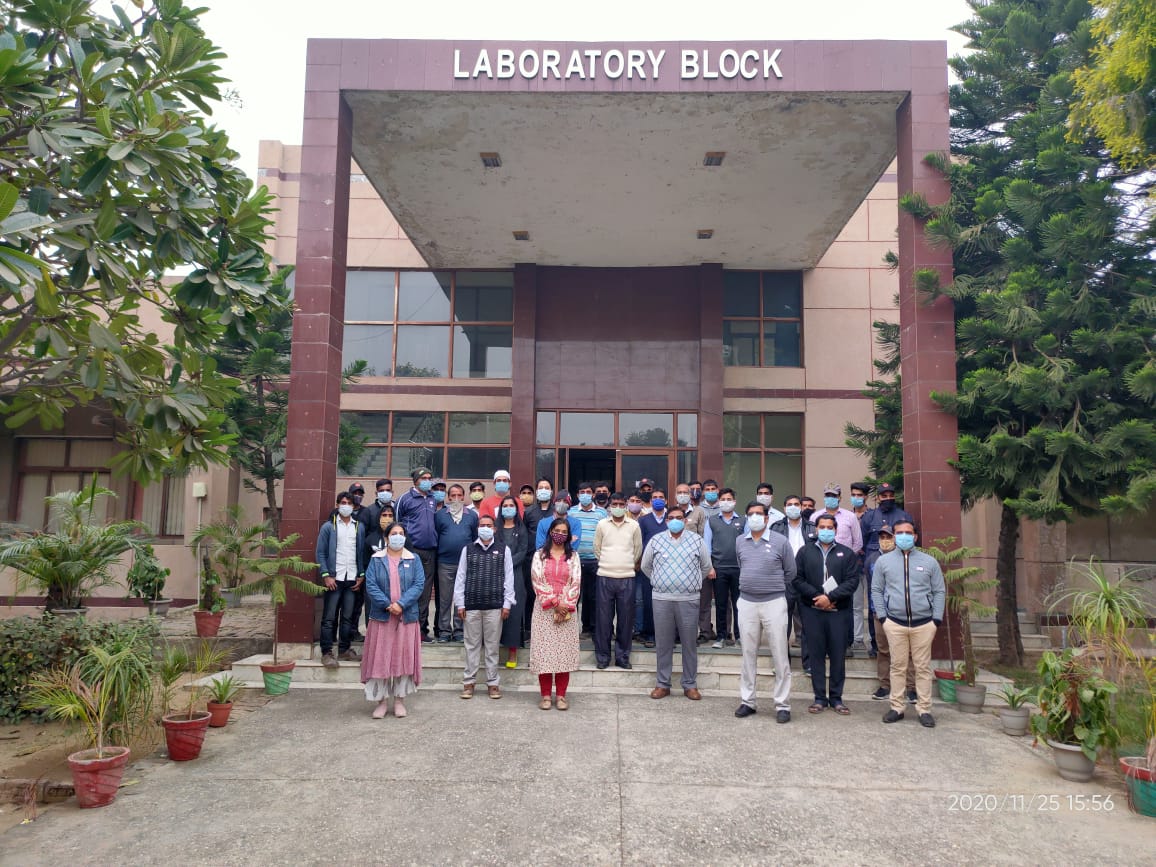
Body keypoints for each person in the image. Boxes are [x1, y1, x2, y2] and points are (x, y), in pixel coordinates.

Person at [870, 519, 946, 728]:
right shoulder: (884, 562)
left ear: (915, 536)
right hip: (894, 623)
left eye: (908, 532)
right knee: (897, 666)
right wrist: (883, 617)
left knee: (922, 667)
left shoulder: (929, 562)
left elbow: (939, 590)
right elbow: (876, 590)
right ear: (894, 537)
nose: (904, 536)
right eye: (899, 533)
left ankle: (924, 709)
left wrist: (936, 619)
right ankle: (897, 707)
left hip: (924, 623)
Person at [641, 505, 714, 701]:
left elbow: (706, 566)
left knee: (689, 643)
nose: (675, 520)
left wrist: (691, 582)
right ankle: (662, 684)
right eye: (671, 517)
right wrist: (661, 581)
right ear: (666, 521)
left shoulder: (697, 541)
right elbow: (646, 566)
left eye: (679, 518)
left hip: (688, 599)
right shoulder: (656, 540)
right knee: (663, 643)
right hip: (662, 599)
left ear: (685, 520)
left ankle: (690, 684)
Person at [734, 501, 796, 723]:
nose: (755, 517)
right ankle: (748, 701)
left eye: (759, 514)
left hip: (774, 602)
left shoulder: (781, 541)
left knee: (780, 654)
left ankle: (782, 704)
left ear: (767, 518)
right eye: (750, 514)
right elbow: (742, 566)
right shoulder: (740, 541)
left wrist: (770, 586)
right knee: (747, 654)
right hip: (747, 602)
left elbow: (790, 572)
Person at [794, 514, 859, 715]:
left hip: (839, 612)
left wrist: (830, 598)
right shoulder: (805, 552)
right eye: (822, 527)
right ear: (816, 529)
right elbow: (797, 579)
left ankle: (837, 698)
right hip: (812, 611)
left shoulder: (846, 553)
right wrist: (818, 597)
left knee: (838, 655)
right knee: (816, 655)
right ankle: (819, 698)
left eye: (830, 527)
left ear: (836, 529)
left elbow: (852, 581)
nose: (826, 530)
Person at [361, 521, 426, 718]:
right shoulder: (376, 559)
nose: (398, 537)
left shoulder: (414, 559)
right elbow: (371, 585)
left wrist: (401, 604)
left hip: (405, 617)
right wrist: (388, 604)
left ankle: (399, 701)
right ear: (386, 538)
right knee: (380, 659)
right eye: (394, 533)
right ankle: (381, 702)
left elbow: (419, 584)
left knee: (402, 658)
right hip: (382, 617)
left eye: (401, 533)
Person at [454, 514, 515, 700]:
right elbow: (460, 577)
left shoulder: (504, 549)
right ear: (477, 528)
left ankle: (493, 683)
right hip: (471, 605)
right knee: (471, 646)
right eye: (482, 525)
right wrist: (460, 603)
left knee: (492, 647)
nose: (485, 528)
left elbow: (509, 577)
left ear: (495, 529)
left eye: (489, 525)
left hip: (495, 606)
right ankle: (469, 682)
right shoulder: (468, 549)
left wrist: (507, 603)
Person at [529, 517, 582, 710]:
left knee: (563, 655)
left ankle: (561, 696)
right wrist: (554, 602)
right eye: (557, 531)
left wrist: (565, 604)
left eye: (564, 532)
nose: (560, 534)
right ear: (550, 532)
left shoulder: (573, 556)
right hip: (545, 610)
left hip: (567, 611)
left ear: (568, 536)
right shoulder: (539, 555)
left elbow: (576, 581)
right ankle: (545, 696)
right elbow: (537, 580)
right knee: (544, 653)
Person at [858, 482, 914, 656]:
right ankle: (875, 644)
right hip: (874, 565)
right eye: (884, 495)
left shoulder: (903, 515)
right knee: (874, 603)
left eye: (890, 495)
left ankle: (895, 643)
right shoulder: (869, 517)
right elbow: (862, 542)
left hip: (898, 565)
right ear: (878, 497)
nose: (888, 498)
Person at [315, 492, 367, 667]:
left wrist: (361, 575)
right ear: (337, 505)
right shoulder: (328, 527)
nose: (346, 506)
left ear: (353, 506)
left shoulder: (359, 527)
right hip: (334, 579)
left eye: (349, 503)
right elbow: (320, 553)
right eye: (343, 503)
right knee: (329, 618)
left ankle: (344, 650)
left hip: (351, 578)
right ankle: (327, 652)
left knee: (348, 617)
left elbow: (360, 552)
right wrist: (326, 575)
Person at [592, 492, 642, 670]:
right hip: (605, 576)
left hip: (627, 577)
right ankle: (603, 657)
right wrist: (608, 563)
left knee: (626, 620)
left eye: (621, 504)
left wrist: (626, 564)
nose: (618, 507)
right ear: (610, 506)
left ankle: (622, 657)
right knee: (603, 620)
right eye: (615, 504)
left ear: (626, 505)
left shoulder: (634, 525)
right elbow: (597, 548)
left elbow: (638, 550)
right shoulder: (602, 524)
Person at [868, 525, 916, 703]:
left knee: (908, 651)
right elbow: (873, 587)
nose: (885, 540)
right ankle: (885, 685)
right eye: (882, 537)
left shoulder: (907, 558)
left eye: (888, 537)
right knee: (883, 650)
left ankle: (911, 688)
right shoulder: (873, 559)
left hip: (904, 612)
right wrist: (877, 610)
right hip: (881, 612)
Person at [771, 494, 817, 673]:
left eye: (796, 504)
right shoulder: (777, 527)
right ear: (784, 508)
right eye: (789, 504)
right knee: (782, 624)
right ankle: (782, 664)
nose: (793, 507)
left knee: (808, 624)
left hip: (806, 580)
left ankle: (809, 664)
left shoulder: (812, 527)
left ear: (801, 507)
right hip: (784, 579)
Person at [819, 482, 865, 656]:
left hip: (845, 568)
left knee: (847, 605)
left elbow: (858, 542)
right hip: (822, 568)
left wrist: (845, 560)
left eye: (834, 495)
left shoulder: (849, 517)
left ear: (839, 497)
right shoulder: (816, 515)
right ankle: (825, 642)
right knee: (823, 603)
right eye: (828, 495)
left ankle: (848, 642)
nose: (830, 498)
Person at [394, 467, 439, 642]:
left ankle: (420, 629)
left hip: (430, 552)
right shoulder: (404, 499)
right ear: (415, 481)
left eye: (429, 478)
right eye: (424, 478)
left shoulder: (433, 499)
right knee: (407, 589)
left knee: (425, 592)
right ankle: (403, 627)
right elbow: (396, 525)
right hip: (410, 551)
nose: (428, 481)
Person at [433, 484, 477, 642]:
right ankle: (444, 631)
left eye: (459, 495)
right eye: (453, 495)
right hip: (445, 563)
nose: (456, 498)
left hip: (465, 564)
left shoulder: (472, 516)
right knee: (444, 599)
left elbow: (475, 538)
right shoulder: (440, 515)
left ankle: (459, 630)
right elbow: (436, 536)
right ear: (448, 497)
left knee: (461, 599)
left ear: (464, 497)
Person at [705, 487, 744, 649]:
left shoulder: (743, 520)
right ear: (719, 502)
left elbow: (747, 545)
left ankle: (740, 636)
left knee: (739, 604)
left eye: (729, 499)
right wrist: (710, 567)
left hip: (739, 569)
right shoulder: (712, 521)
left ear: (734, 501)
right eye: (723, 500)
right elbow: (707, 546)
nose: (726, 502)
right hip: (718, 569)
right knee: (721, 604)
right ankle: (721, 636)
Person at [569, 481, 607, 637]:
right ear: (577, 495)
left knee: (593, 596)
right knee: (575, 595)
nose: (585, 495)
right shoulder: (571, 512)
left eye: (588, 492)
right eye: (582, 492)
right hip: (575, 561)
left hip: (595, 560)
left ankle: (591, 627)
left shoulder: (602, 513)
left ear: (593, 494)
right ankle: (572, 629)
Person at [496, 495, 529, 668]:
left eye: (511, 505)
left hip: (515, 574)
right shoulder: (495, 529)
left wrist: (508, 563)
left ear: (516, 509)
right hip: (496, 573)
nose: (508, 508)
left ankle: (512, 653)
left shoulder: (521, 529)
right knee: (495, 612)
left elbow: (523, 552)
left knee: (514, 613)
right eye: (505, 505)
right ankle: (493, 651)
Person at [636, 487, 670, 647]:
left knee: (667, 602)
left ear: (666, 500)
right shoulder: (643, 520)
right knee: (648, 601)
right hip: (648, 567)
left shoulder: (671, 519)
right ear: (650, 501)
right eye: (655, 497)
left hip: (668, 567)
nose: (658, 500)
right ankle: (649, 634)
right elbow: (640, 543)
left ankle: (668, 635)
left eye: (661, 497)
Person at [522, 478, 556, 634]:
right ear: (536, 491)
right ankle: (529, 629)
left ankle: (549, 628)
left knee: (550, 592)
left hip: (552, 559)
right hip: (531, 558)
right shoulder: (529, 512)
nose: (543, 490)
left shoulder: (555, 511)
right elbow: (524, 533)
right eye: (541, 487)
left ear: (551, 491)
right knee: (531, 594)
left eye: (546, 488)